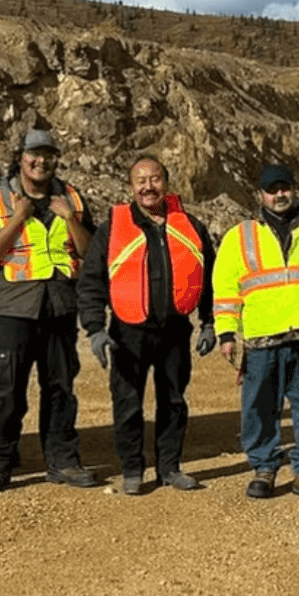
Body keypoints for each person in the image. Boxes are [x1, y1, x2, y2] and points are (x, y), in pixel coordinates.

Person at [213, 163, 299, 500]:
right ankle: (264, 467)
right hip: (262, 338)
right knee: (259, 407)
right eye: (272, 189)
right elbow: (225, 288)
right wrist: (227, 333)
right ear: (260, 194)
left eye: (285, 188)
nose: (279, 195)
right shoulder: (241, 236)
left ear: (294, 188)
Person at [79, 155, 217, 495]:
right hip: (127, 332)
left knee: (173, 401)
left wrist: (210, 323)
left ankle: (169, 467)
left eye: (154, 179)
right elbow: (92, 280)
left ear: (166, 183)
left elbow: (210, 279)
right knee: (127, 403)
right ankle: (132, 469)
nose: (147, 187)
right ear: (131, 187)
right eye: (140, 180)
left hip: (174, 331)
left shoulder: (192, 226)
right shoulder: (112, 227)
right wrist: (95, 328)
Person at [0, 129, 99, 492]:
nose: (40, 161)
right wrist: (17, 219)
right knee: (6, 390)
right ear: (21, 157)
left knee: (60, 388)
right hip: (12, 308)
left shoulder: (71, 197)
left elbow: (90, 252)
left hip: (58, 306)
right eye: (33, 154)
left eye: (48, 155)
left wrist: (71, 219)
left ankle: (63, 461)